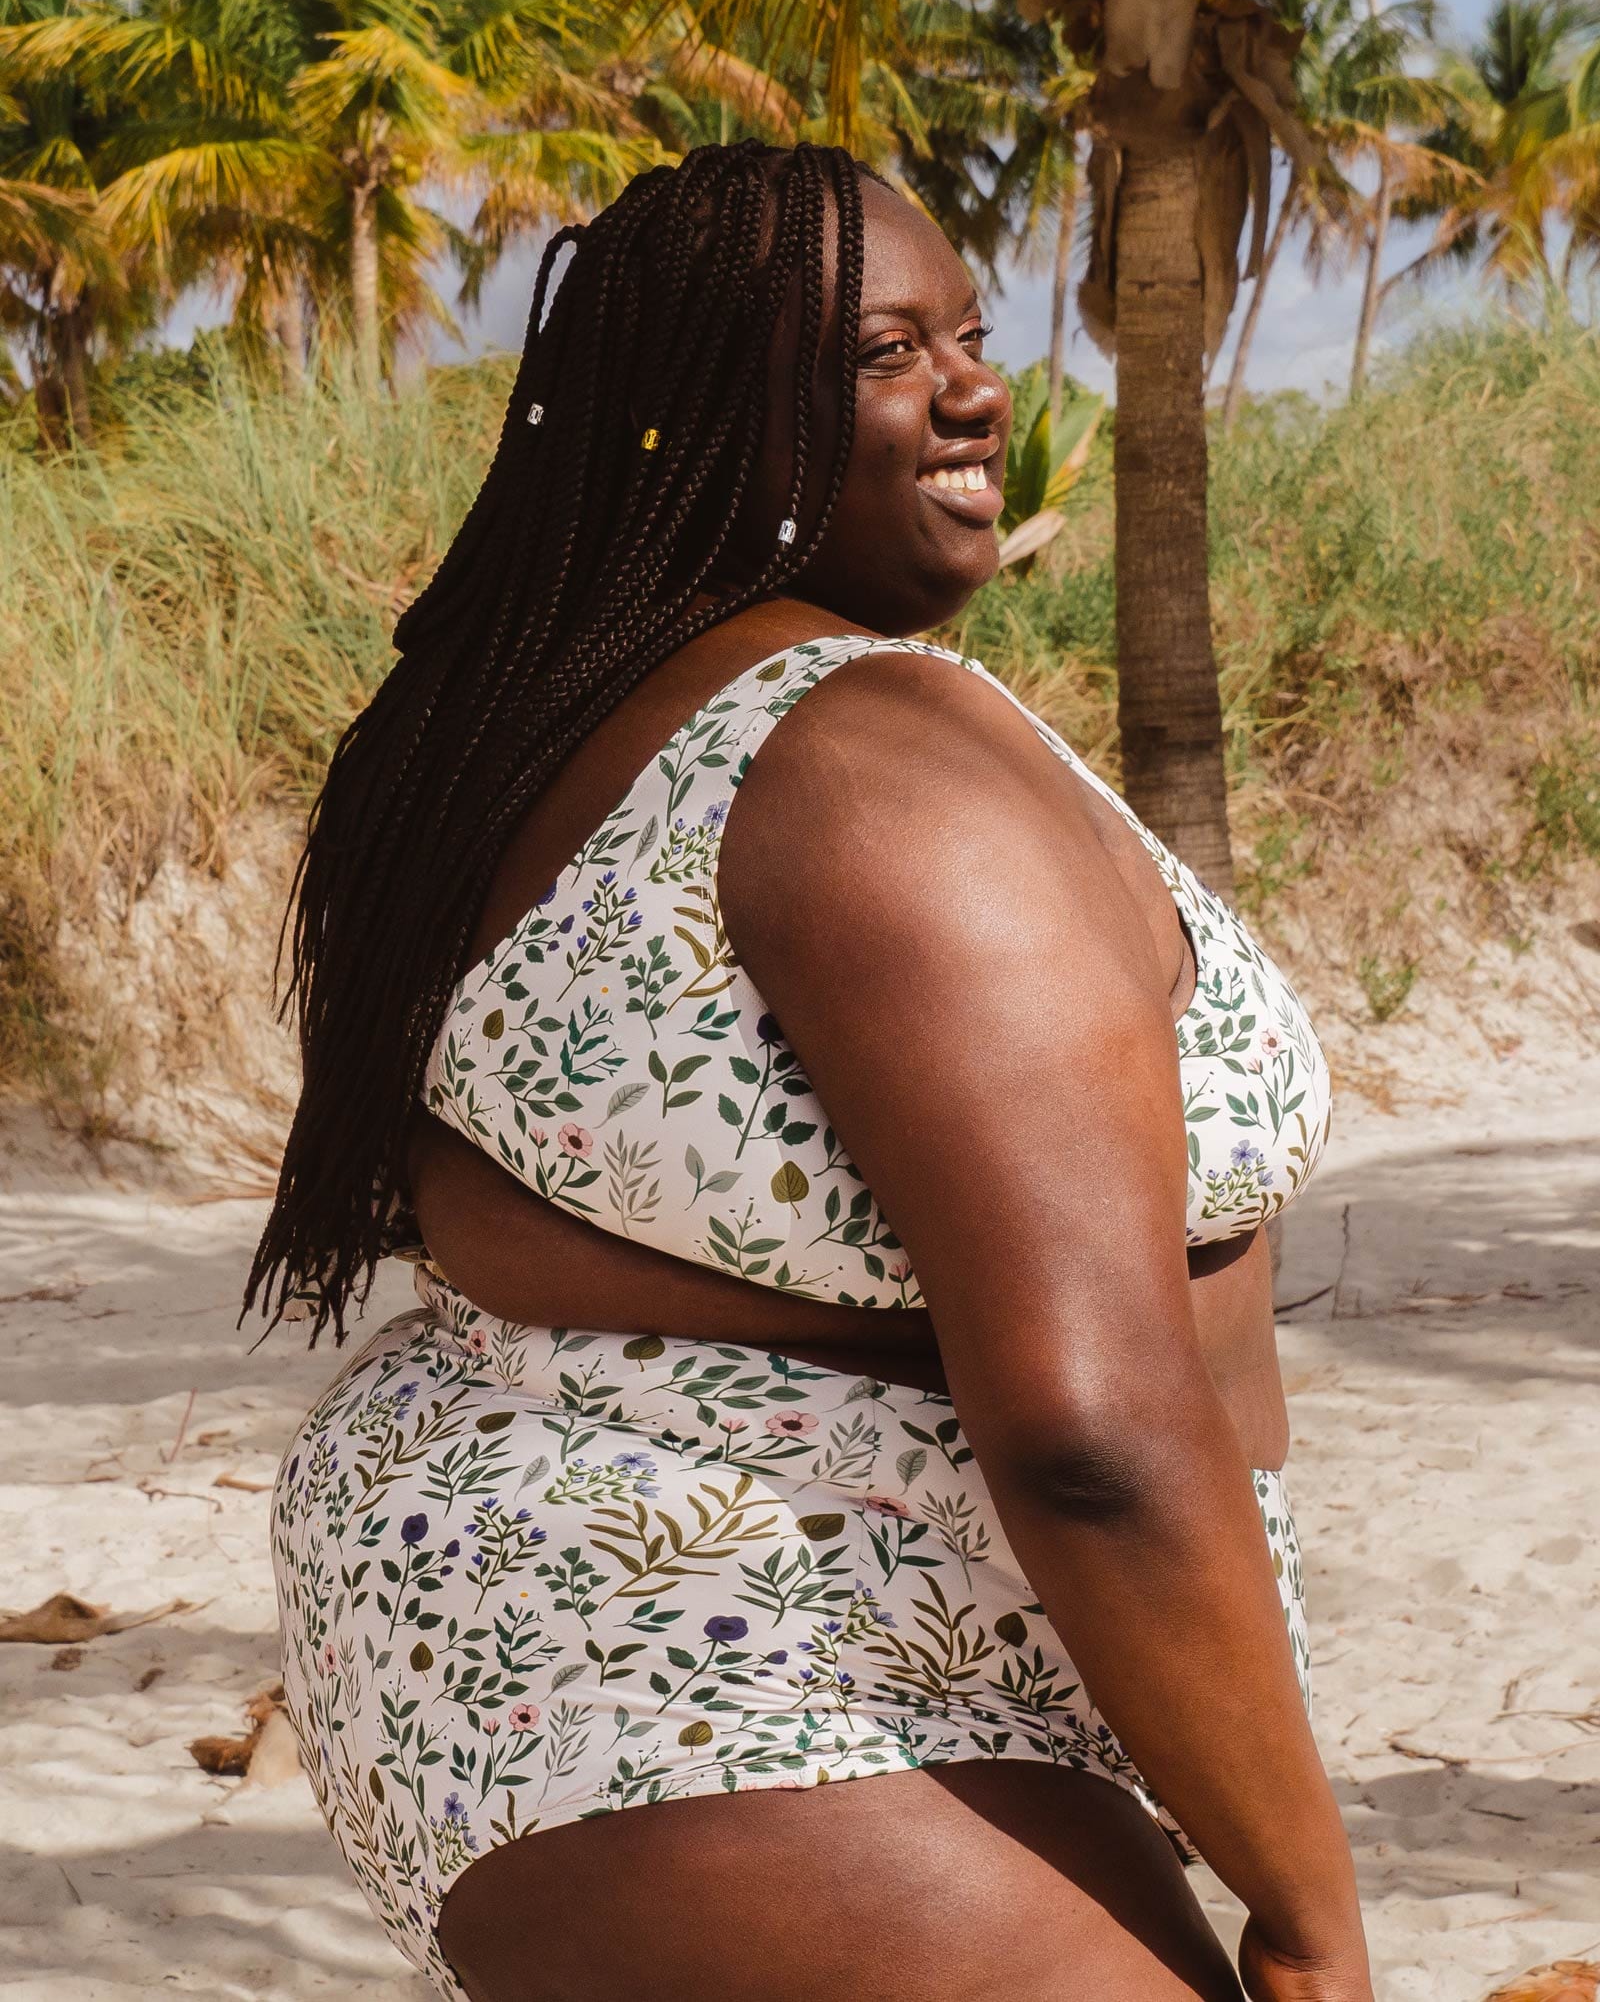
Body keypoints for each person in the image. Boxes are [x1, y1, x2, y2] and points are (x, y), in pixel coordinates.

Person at [253, 140, 1368, 2002]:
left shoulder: (535, 735)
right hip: (750, 1634)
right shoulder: (872, 763)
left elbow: (477, 1206)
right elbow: (1091, 1434)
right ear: (694, 415)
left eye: (969, 331)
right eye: (879, 349)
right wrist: (1315, 1915)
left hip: (529, 1626)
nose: (974, 388)